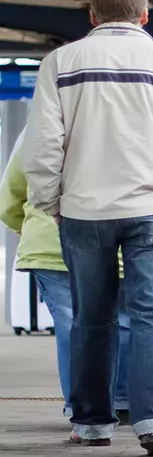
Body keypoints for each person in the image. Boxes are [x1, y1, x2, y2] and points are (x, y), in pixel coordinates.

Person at [20, 0, 153, 455]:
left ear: (92, 15)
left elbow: (45, 143)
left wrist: (50, 202)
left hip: (83, 210)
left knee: (91, 318)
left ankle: (91, 425)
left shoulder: (60, 62)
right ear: (145, 15)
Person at [0, 129, 132, 432]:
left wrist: (27, 226)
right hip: (116, 242)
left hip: (51, 242)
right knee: (122, 321)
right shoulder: (124, 125)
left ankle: (83, 407)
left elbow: (11, 192)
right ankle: (121, 399)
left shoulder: (39, 130)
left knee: (72, 325)